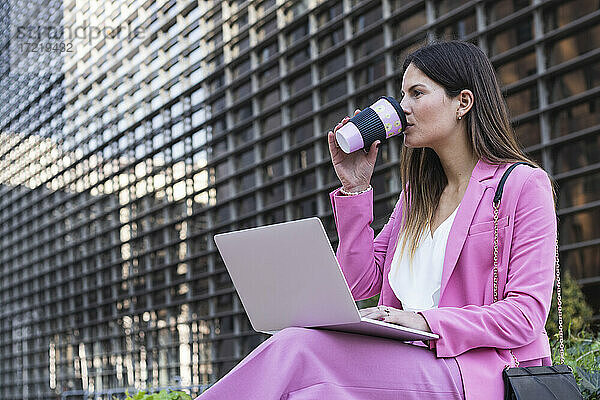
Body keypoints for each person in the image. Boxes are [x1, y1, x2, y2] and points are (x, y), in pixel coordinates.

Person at [196, 40, 557, 400]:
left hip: (477, 372)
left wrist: (426, 321)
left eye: (417, 93)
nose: (403, 109)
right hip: (403, 357)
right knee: (308, 376)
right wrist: (355, 189)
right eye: (403, 96)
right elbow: (358, 285)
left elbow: (525, 315)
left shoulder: (522, 186)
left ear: (462, 102)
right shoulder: (417, 197)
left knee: (298, 350)